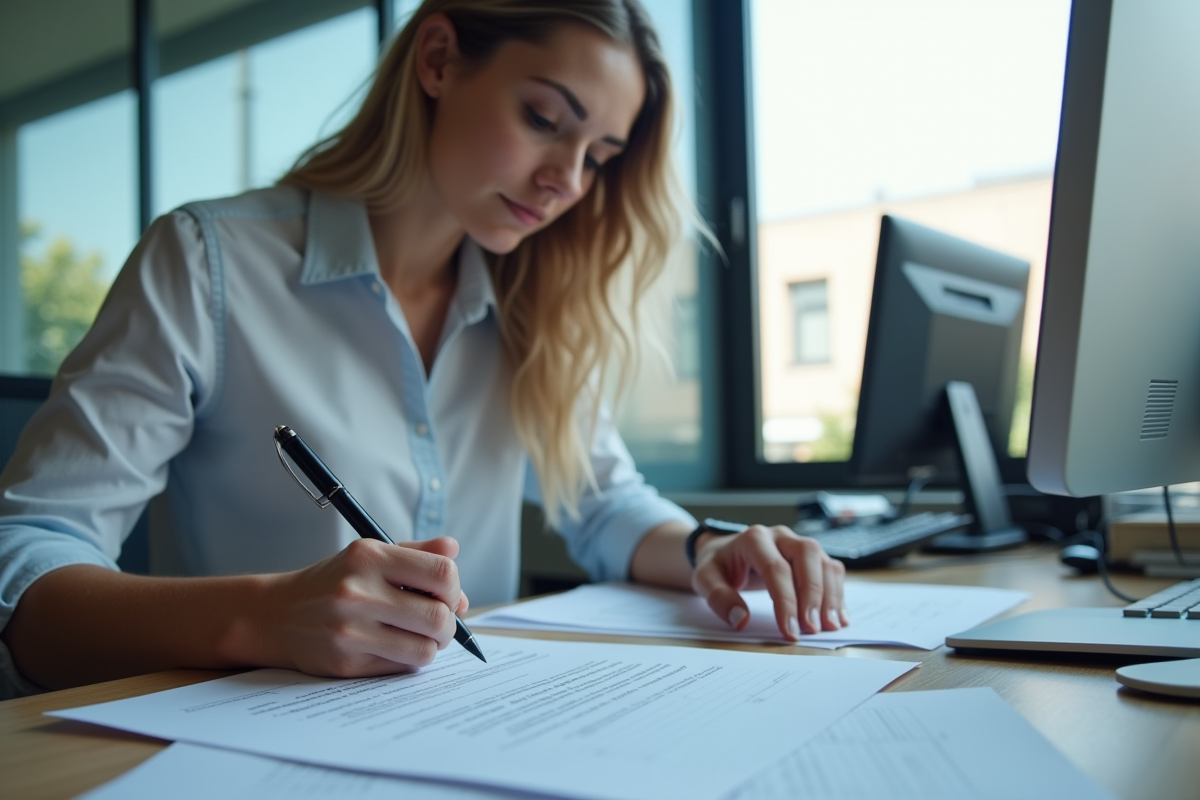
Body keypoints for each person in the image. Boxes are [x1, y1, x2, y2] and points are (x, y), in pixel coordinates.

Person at [0, 0, 847, 699]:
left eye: (600, 156)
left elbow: (604, 505)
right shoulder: (209, 264)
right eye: (544, 119)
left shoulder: (534, 306)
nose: (569, 181)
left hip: (480, 723)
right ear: (437, 59)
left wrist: (709, 547)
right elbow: (29, 562)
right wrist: (265, 617)